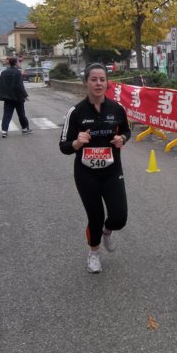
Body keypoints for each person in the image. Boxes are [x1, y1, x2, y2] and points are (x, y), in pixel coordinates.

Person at [59, 63, 131, 274]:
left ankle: (107, 231)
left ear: (107, 83)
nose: (98, 83)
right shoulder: (76, 112)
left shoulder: (117, 109)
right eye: (93, 79)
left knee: (119, 217)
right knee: (95, 216)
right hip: (86, 173)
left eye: (102, 79)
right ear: (85, 83)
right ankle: (94, 253)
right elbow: (63, 146)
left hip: (112, 170)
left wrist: (122, 138)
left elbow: (127, 131)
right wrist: (76, 143)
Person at [0, 58, 32, 138]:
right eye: (17, 62)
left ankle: (4, 131)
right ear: (16, 63)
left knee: (7, 115)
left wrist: (2, 96)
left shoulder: (3, 72)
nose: (18, 63)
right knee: (21, 114)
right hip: (18, 98)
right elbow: (20, 86)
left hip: (7, 98)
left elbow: (0, 85)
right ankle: (24, 129)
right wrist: (25, 95)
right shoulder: (17, 72)